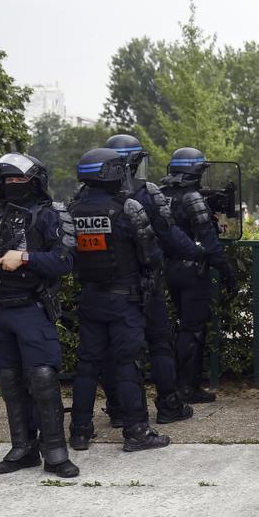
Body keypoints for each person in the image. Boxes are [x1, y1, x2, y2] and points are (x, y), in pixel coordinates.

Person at [0, 153, 78, 476]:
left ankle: (55, 451)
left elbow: (64, 261)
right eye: (7, 180)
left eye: (18, 179)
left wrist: (25, 257)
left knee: (42, 376)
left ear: (36, 181)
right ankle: (23, 446)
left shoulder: (50, 215)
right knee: (9, 379)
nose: (11, 185)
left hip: (31, 306)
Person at [67, 149, 170, 453]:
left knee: (87, 365)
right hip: (124, 299)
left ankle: (80, 431)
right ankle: (136, 431)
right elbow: (152, 256)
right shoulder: (128, 209)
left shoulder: (72, 211)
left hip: (89, 297)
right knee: (127, 363)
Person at [103, 134, 197, 424]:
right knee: (158, 344)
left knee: (112, 348)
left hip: (104, 287)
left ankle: (119, 408)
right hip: (146, 284)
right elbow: (170, 237)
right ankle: (169, 405)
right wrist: (199, 252)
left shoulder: (88, 196)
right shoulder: (147, 193)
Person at [160, 147, 238, 404]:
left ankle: (182, 385)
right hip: (192, 271)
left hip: (169, 268)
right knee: (192, 331)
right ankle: (186, 388)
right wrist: (227, 273)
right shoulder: (192, 198)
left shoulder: (163, 195)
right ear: (194, 171)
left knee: (183, 328)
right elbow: (210, 243)